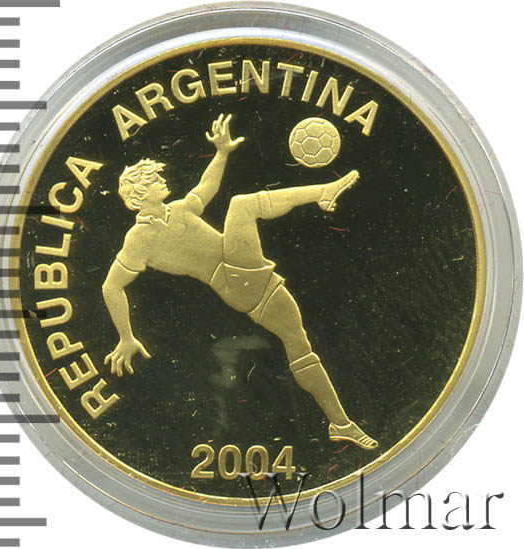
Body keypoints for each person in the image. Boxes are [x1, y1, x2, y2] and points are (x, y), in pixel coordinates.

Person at [102, 113, 378, 450]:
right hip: (233, 280)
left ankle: (340, 423)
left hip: (257, 283)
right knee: (241, 206)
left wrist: (222, 152)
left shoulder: (179, 210)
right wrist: (126, 337)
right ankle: (324, 192)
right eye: (155, 179)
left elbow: (206, 187)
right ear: (141, 192)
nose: (162, 179)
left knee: (299, 344)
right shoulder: (139, 239)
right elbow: (111, 285)